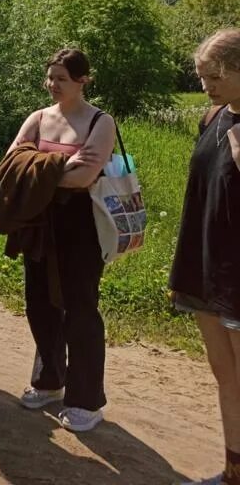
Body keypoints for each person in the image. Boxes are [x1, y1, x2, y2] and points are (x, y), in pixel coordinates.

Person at [8, 48, 116, 433]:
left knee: (80, 309)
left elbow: (84, 177)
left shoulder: (100, 122)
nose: (53, 85)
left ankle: (86, 400)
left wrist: (40, 166)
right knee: (40, 303)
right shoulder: (38, 118)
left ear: (83, 81)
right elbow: (13, 162)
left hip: (82, 226)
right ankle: (50, 381)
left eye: (62, 79)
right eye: (50, 78)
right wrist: (59, 167)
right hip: (40, 223)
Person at [170, 29, 240, 485]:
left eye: (214, 75)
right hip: (205, 264)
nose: (206, 85)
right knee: (225, 374)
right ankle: (234, 468)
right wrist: (184, 268)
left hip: (238, 274)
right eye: (201, 77)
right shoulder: (212, 116)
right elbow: (200, 196)